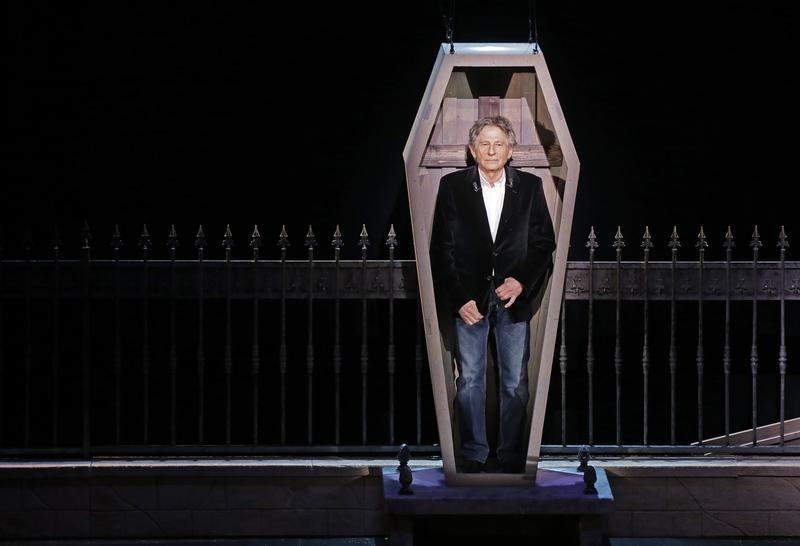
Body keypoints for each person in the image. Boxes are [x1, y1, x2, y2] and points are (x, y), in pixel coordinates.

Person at [430, 115, 556, 473]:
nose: (491, 150)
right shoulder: (453, 187)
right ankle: (473, 453)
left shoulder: (529, 187)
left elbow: (544, 243)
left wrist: (522, 282)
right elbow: (441, 249)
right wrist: (459, 299)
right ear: (472, 150)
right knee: (469, 380)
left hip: (512, 301)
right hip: (469, 301)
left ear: (511, 150)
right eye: (484, 144)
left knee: (515, 382)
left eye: (498, 143)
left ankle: (512, 454)